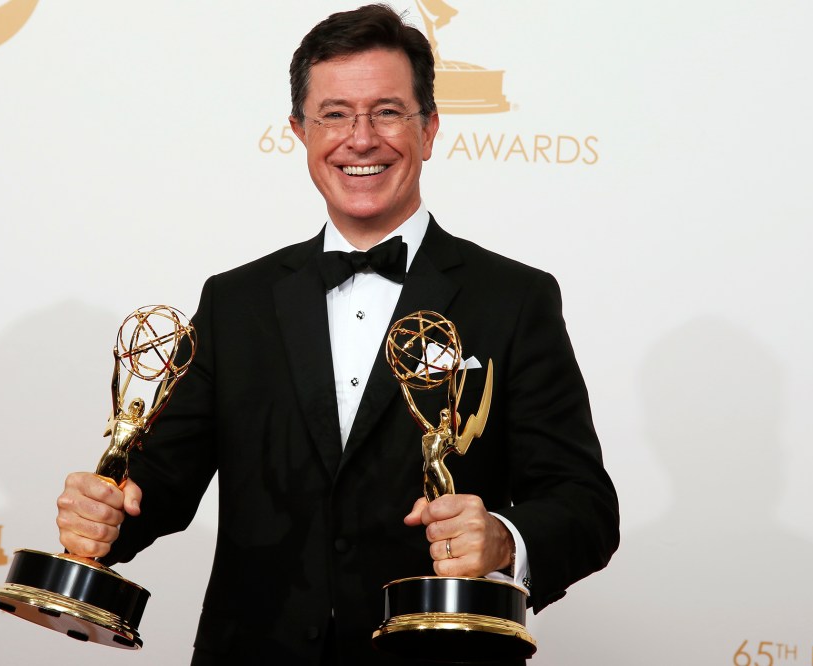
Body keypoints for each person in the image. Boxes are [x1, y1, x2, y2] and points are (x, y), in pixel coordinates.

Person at [56, 4, 619, 664]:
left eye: (386, 111)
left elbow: (584, 507)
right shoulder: (234, 302)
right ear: (299, 130)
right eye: (333, 114)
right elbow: (157, 486)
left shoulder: (514, 298)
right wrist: (103, 515)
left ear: (430, 129)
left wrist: (502, 538)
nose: (360, 138)